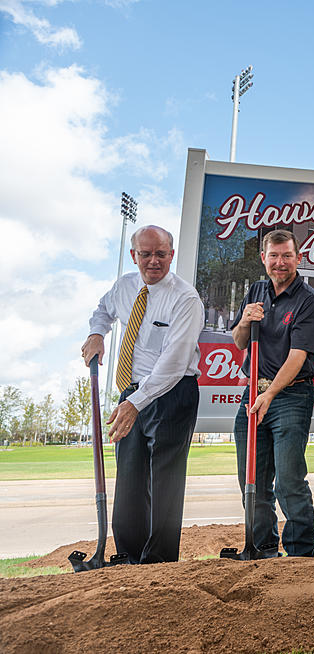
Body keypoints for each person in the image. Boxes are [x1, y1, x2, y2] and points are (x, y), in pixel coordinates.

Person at [81, 225, 204, 563]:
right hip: (131, 391)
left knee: (165, 477)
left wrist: (134, 403)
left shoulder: (185, 298)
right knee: (130, 474)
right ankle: (128, 556)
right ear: (134, 255)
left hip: (172, 392)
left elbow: (174, 363)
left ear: (171, 255)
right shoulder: (125, 286)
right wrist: (97, 333)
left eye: (161, 254)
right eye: (146, 254)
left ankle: (158, 563)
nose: (153, 261)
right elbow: (103, 310)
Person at [231, 229, 314, 557]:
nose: (280, 262)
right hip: (252, 394)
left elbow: (297, 357)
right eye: (274, 256)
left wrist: (269, 394)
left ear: (298, 258)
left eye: (287, 256)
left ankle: (301, 553)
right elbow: (240, 341)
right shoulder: (255, 290)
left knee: (288, 480)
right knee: (252, 481)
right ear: (264, 258)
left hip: (290, 396)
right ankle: (261, 548)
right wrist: (244, 321)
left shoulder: (309, 301)